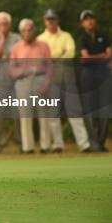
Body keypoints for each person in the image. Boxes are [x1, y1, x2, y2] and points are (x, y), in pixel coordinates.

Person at [37, 9, 90, 153]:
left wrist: (52, 58)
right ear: (45, 21)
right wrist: (57, 55)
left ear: (57, 20)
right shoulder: (41, 39)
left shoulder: (66, 36)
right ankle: (58, 144)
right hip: (51, 80)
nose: (51, 22)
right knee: (53, 113)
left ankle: (83, 143)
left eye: (53, 19)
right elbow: (41, 60)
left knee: (75, 111)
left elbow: (70, 53)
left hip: (68, 79)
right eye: (48, 19)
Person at [9, 19, 52, 153]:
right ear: (21, 32)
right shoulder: (16, 48)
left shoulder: (43, 46)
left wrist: (46, 83)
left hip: (40, 79)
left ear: (34, 30)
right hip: (23, 82)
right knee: (25, 115)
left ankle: (45, 146)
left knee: (44, 114)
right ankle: (28, 147)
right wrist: (21, 71)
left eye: (30, 30)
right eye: (24, 31)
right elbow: (11, 69)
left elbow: (50, 67)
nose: (27, 33)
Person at [76, 10, 111, 152]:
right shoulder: (82, 39)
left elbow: (110, 56)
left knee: (105, 109)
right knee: (90, 109)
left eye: (91, 18)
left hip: (104, 75)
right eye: (86, 19)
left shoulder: (104, 36)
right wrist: (102, 56)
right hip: (88, 76)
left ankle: (101, 143)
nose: (89, 21)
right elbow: (85, 58)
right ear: (82, 23)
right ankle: (94, 143)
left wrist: (94, 57)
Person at [0, 12, 21, 153]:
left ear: (9, 24)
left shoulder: (17, 38)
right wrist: (1, 40)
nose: (2, 27)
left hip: (16, 81)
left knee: (18, 114)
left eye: (5, 24)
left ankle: (22, 142)